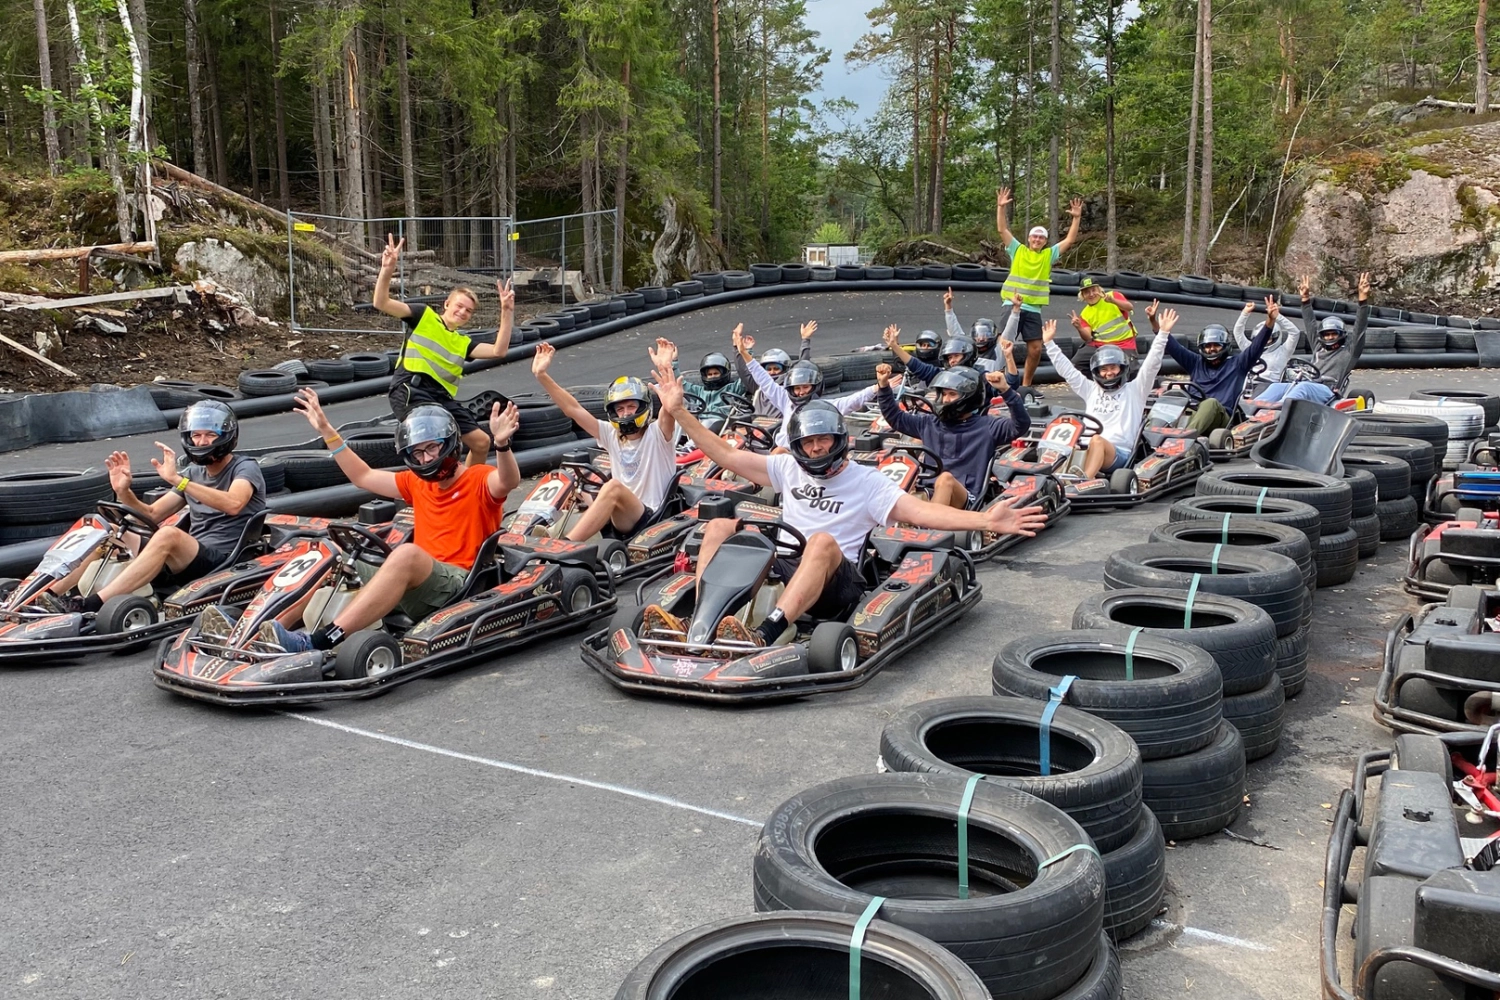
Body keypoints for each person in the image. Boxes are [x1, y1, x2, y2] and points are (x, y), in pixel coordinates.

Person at [640, 371, 1048, 648]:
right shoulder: (787, 467)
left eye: (822, 440)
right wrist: (677, 411)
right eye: (808, 443)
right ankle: (698, 621)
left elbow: (922, 514)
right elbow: (725, 456)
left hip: (839, 584)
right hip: (788, 564)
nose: (815, 448)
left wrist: (987, 519)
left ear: (837, 439)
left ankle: (765, 633)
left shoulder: (867, 482)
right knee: (720, 526)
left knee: (821, 541)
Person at [265, 391, 521, 653]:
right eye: (418, 452)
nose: (426, 459)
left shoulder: (479, 478)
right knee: (330, 550)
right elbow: (363, 476)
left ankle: (319, 641)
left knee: (406, 553)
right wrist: (328, 431)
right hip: (415, 579)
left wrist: (501, 445)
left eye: (432, 448)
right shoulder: (417, 483)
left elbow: (507, 481)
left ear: (449, 443)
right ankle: (268, 629)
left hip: (456, 583)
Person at [46, 400, 268, 614]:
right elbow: (152, 513)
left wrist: (178, 481)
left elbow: (234, 504)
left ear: (226, 437)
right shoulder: (193, 473)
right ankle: (48, 594)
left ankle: (93, 603)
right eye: (196, 435)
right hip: (191, 556)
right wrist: (124, 492)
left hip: (225, 560)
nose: (201, 442)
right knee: (109, 532)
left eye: (210, 435)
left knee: (169, 534)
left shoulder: (244, 467)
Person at [375, 233, 516, 466]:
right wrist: (388, 268)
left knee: (481, 442)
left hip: (441, 398)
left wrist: (507, 311)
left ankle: (466, 489)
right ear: (447, 304)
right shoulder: (423, 316)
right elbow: (381, 303)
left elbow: (498, 351)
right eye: (459, 305)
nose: (462, 312)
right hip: (411, 390)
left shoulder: (463, 342)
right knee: (434, 447)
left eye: (468, 311)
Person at [534, 341, 678, 541]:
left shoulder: (659, 434)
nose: (625, 413)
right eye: (620, 409)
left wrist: (666, 367)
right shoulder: (611, 434)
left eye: (631, 406)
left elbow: (671, 407)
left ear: (644, 407)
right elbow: (573, 409)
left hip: (651, 517)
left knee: (612, 487)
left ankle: (567, 544)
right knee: (578, 484)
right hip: (621, 514)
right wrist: (542, 376)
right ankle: (549, 532)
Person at [874, 361, 1031, 510]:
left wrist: (1005, 390)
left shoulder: (988, 426)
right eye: (943, 394)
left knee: (945, 480)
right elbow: (896, 418)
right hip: (928, 492)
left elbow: (1020, 425)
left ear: (968, 397)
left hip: (965, 499)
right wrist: (883, 386)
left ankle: (929, 527)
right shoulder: (930, 423)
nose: (945, 399)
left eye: (951, 394)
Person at [1043, 310, 1178, 480]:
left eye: (1113, 368)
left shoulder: (1135, 390)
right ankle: (1048, 478)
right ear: (1097, 371)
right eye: (1104, 369)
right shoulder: (1091, 389)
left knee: (1097, 440)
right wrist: (1049, 344)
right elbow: (1068, 372)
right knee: (1063, 433)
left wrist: (1163, 334)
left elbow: (1151, 365)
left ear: (1122, 368)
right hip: (1084, 447)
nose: (1109, 373)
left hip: (1118, 453)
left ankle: (1085, 480)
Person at [736, 323, 884, 448]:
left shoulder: (825, 408)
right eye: (797, 388)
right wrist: (743, 352)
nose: (800, 392)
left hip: (807, 457)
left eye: (805, 387)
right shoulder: (785, 401)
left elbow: (853, 400)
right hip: (782, 454)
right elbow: (763, 379)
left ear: (815, 387)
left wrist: (878, 387)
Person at [996, 187, 1084, 388]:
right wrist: (1000, 208)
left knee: (1035, 349)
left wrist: (1076, 218)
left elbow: (1070, 240)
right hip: (1012, 305)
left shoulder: (1048, 256)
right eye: (1034, 236)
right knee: (1003, 345)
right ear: (1029, 238)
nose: (1037, 240)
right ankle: (999, 381)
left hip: (1033, 309)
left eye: (1041, 238)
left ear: (1045, 241)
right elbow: (1002, 230)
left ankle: (1026, 386)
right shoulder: (1017, 250)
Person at [1161, 296, 1277, 434]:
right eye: (1208, 346)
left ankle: (1182, 440)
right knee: (1171, 396)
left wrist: (1270, 322)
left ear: (1225, 346)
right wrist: (1158, 328)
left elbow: (1256, 347)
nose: (1211, 349)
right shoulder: (1196, 363)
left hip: (1220, 418)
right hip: (1192, 412)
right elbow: (1174, 348)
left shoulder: (1237, 364)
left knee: (1210, 403)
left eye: (1216, 345)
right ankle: (1147, 439)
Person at [1256, 272, 1372, 405]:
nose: (1330, 337)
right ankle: (1251, 409)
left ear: (1341, 335)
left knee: (1302, 387)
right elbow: (1310, 324)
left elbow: (1359, 329)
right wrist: (1305, 299)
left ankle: (1278, 408)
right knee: (1276, 387)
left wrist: (1362, 299)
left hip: (1327, 390)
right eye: (1327, 334)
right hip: (1307, 384)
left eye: (1334, 334)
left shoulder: (1349, 351)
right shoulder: (1318, 347)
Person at [733, 322, 815, 417]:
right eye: (769, 369)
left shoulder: (788, 384)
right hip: (758, 427)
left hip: (779, 426)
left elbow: (803, 367)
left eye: (776, 368)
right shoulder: (758, 384)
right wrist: (736, 346)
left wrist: (805, 340)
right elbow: (742, 370)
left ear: (784, 369)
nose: (772, 372)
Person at [1234, 288, 1303, 385]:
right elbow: (1238, 332)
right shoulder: (1251, 350)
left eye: (1268, 338)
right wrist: (1245, 313)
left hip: (1272, 389)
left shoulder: (1283, 351)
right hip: (1250, 387)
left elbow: (1295, 332)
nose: (1264, 340)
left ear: (1275, 337)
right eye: (1261, 338)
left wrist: (1277, 316)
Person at [1070, 277, 1138, 358]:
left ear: (1099, 290)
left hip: (1124, 344)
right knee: (1077, 363)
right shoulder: (1084, 314)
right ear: (1083, 296)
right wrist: (1079, 328)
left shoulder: (1112, 295)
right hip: (1100, 346)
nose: (1091, 294)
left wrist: (1113, 301)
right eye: (1087, 292)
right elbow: (1088, 338)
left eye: (1093, 290)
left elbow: (1129, 307)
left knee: (1127, 367)